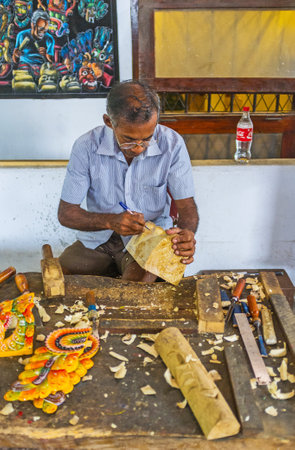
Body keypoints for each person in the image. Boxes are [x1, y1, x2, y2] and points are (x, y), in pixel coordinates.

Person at [58, 80, 199, 282]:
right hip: (99, 239)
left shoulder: (172, 144)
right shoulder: (86, 146)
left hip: (150, 240)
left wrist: (186, 234)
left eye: (147, 138)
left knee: (136, 291)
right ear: (109, 121)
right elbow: (66, 213)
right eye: (129, 139)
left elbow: (187, 208)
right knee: (57, 279)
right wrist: (110, 221)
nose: (139, 147)